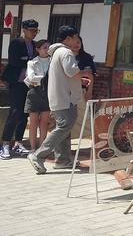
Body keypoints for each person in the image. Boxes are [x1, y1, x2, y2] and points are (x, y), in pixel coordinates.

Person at [28, 26, 94, 174]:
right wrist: (86, 74)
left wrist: (80, 79)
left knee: (65, 128)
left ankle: (62, 159)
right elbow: (71, 72)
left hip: (59, 96)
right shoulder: (66, 52)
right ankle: (38, 155)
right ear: (68, 38)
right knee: (64, 127)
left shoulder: (57, 52)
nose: (76, 41)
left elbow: (66, 75)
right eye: (74, 38)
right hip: (65, 97)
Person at [1, 19, 39, 160]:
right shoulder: (16, 43)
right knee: (15, 111)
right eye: (31, 30)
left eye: (36, 30)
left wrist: (29, 60)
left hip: (29, 83)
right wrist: (30, 60)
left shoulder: (35, 45)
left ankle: (18, 142)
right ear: (24, 30)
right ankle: (5, 143)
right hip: (16, 81)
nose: (34, 33)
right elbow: (14, 61)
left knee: (25, 113)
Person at [24, 40, 51, 152]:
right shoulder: (32, 62)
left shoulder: (53, 61)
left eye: (48, 48)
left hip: (48, 92)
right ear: (38, 49)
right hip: (34, 92)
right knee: (33, 122)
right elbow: (30, 77)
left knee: (44, 122)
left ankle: (41, 148)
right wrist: (37, 80)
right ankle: (33, 148)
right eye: (44, 47)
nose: (47, 50)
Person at [76, 36, 97, 100]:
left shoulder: (86, 57)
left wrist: (89, 92)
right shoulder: (65, 56)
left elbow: (92, 74)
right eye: (74, 43)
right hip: (66, 90)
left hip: (81, 90)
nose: (76, 45)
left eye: (78, 42)